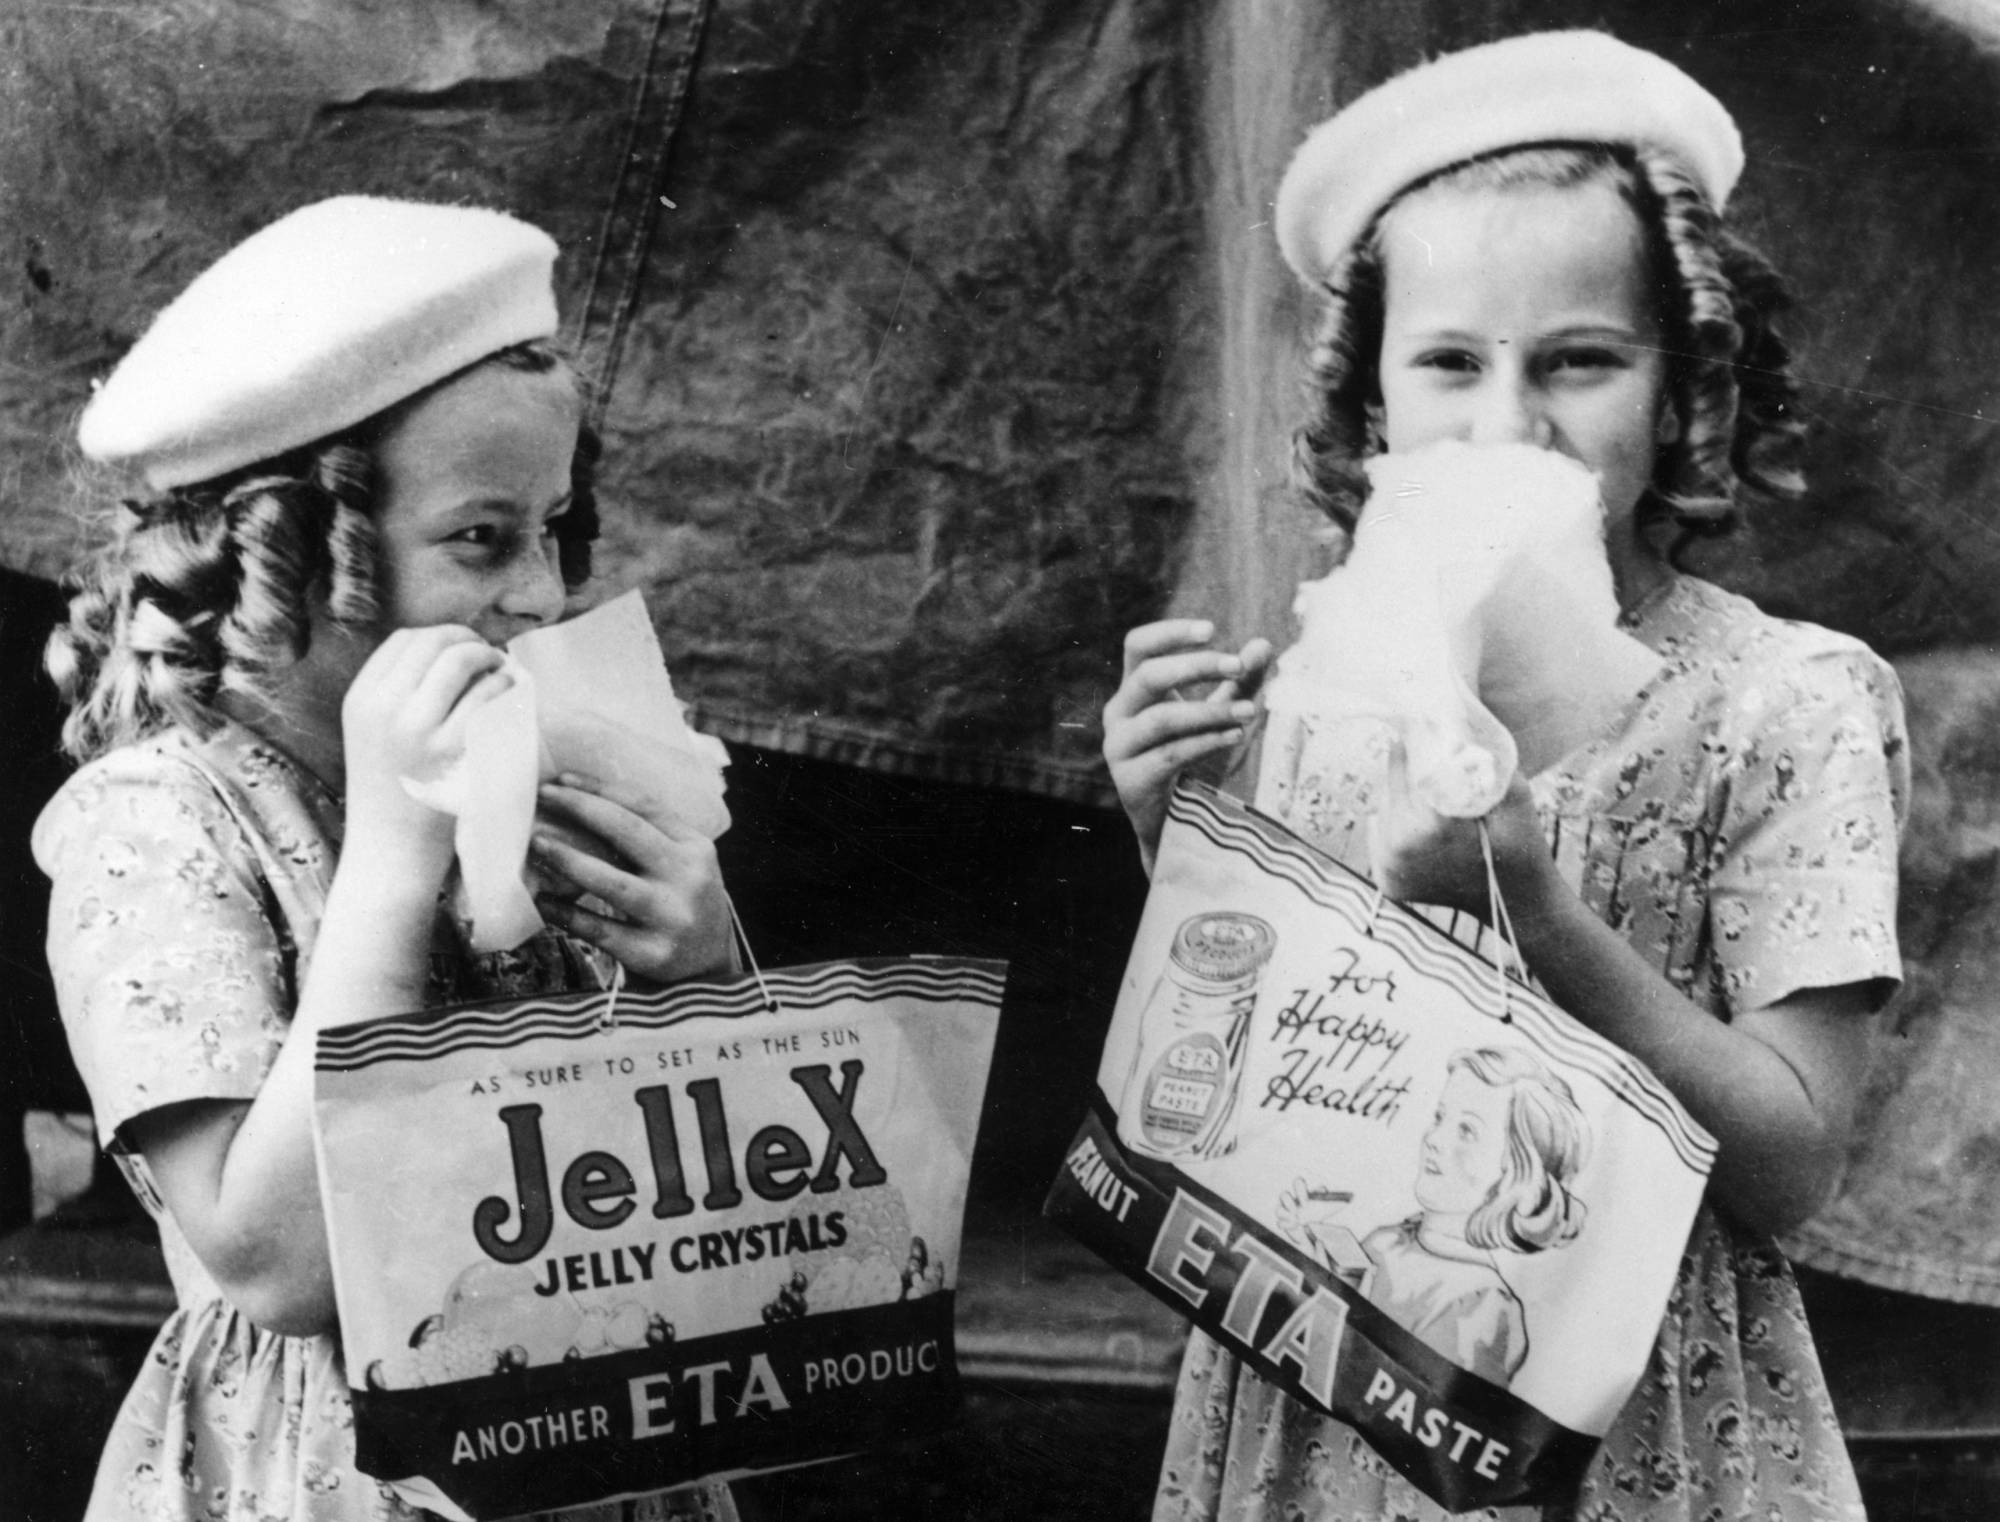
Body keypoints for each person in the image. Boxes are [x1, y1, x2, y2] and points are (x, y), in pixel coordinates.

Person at [1102, 30, 1907, 1522]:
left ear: (1686, 390)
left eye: (1580, 361)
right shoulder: (1325, 685)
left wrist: (1538, 915)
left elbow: (1792, 1164)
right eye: (1450, 363)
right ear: (1374, 407)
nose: (1509, 423)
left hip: (1632, 1416)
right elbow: (1266, 1082)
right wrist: (1182, 837)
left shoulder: (1783, 701)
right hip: (1341, 1393)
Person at [34, 197, 737, 1522]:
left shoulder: (537, 770)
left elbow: (715, 1174)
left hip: (592, 1441)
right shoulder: (158, 824)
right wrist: (395, 860)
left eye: (554, 527)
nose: (542, 591)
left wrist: (703, 966)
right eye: (482, 538)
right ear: (292, 555)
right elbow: (281, 1267)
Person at [1279, 1045, 1589, 1388]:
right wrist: (1305, 1245)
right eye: (1440, 1117)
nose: (1434, 1139)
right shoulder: (1387, 1241)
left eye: (1467, 1131)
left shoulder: (1482, 1305)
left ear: (1515, 1175)